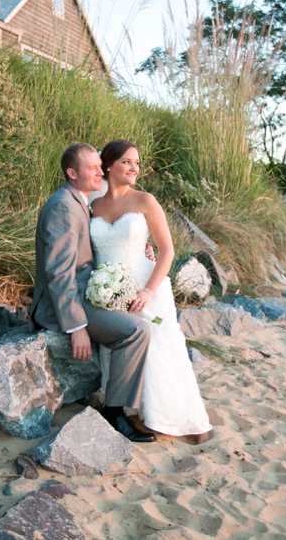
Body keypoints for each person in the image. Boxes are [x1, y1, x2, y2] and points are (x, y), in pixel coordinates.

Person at [30, 142, 155, 443]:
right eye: (92, 168)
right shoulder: (62, 206)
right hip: (67, 303)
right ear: (72, 173)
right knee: (138, 330)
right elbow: (58, 273)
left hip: (87, 292)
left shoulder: (80, 199)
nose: (100, 171)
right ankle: (114, 412)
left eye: (100, 165)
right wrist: (77, 327)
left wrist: (141, 249)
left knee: (142, 319)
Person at [90, 139, 212, 444]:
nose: (134, 168)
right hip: (108, 290)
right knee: (121, 343)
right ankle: (120, 408)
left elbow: (167, 251)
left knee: (158, 345)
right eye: (127, 162)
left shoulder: (145, 201)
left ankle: (164, 416)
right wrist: (101, 287)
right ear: (107, 166)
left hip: (147, 286)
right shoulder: (92, 204)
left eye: (137, 163)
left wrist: (147, 291)